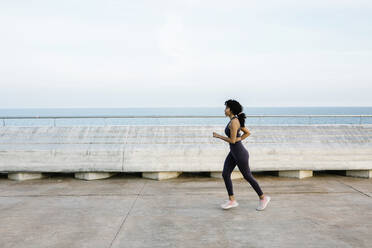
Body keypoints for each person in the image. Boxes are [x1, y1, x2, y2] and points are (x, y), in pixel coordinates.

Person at [213, 99, 271, 210]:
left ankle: (263, 197)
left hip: (239, 153)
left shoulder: (234, 122)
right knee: (225, 174)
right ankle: (232, 200)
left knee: (247, 176)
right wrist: (238, 138)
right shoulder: (234, 120)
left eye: (226, 108)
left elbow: (233, 141)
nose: (225, 110)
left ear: (231, 110)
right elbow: (247, 133)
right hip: (234, 152)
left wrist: (219, 136)